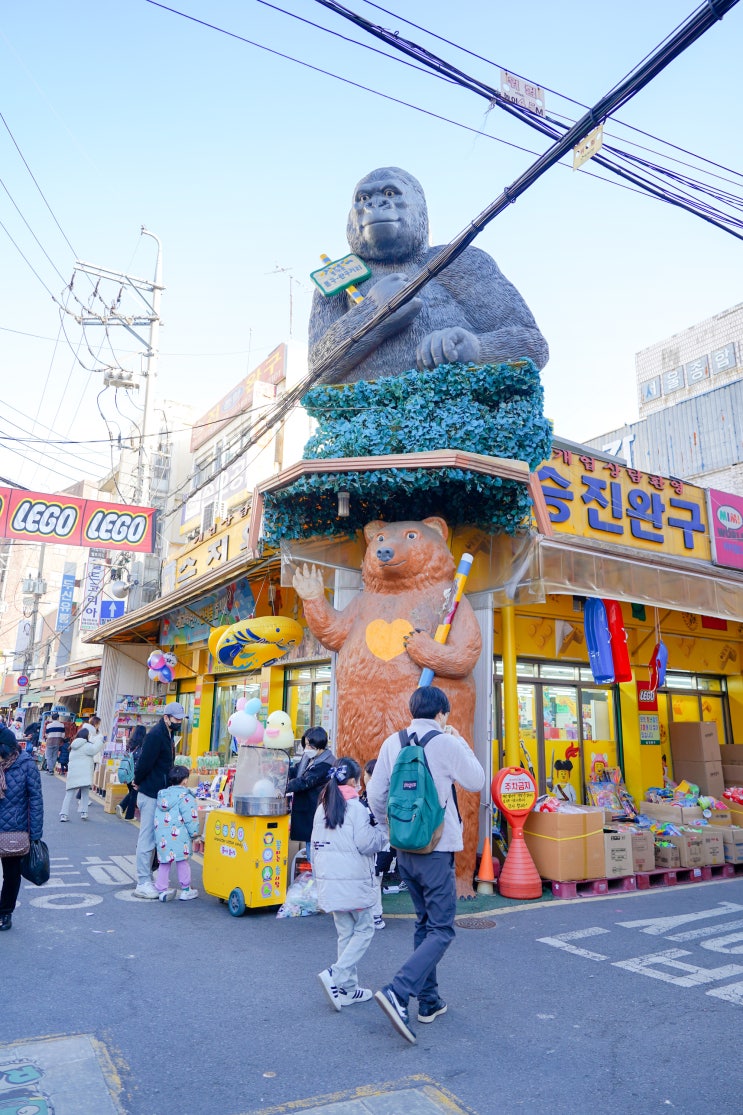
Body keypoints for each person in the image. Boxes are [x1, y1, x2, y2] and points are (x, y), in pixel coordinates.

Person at [308, 166, 548, 385]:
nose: (375, 205)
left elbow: (533, 345)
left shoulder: (458, 261)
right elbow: (317, 373)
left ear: (418, 206)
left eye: (390, 194)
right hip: (361, 420)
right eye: (363, 199)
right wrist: (372, 312)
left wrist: (476, 348)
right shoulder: (336, 278)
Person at [367, 685, 485, 1044]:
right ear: (441, 713)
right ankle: (399, 991)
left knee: (425, 923)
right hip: (437, 850)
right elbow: (477, 781)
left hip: (404, 851)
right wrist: (459, 739)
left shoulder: (393, 742)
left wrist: (393, 832)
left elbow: (375, 795)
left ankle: (429, 1001)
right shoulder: (445, 742)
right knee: (442, 929)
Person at [312, 758, 388, 1010]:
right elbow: (366, 844)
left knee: (345, 932)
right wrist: (383, 832)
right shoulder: (356, 807)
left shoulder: (322, 806)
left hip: (329, 881)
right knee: (365, 929)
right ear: (355, 782)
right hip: (354, 881)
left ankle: (348, 989)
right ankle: (336, 973)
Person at [132, 702, 186, 899]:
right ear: (166, 717)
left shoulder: (167, 733)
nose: (179, 722)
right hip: (150, 793)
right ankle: (143, 882)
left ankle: (150, 877)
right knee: (146, 839)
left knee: (155, 838)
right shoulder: (156, 735)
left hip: (160, 793)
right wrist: (137, 781)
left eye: (181, 719)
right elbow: (145, 762)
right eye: (176, 718)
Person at [0, 725, 43, 931]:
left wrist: (34, 835)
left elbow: (36, 800)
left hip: (13, 830)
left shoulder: (26, 765)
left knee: (11, 874)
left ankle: (5, 913)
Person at [286, 726, 334, 869]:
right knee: (310, 849)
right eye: (305, 744)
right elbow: (297, 771)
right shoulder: (309, 757)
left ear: (319, 744)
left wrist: (283, 787)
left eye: (309, 744)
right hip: (306, 810)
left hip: (315, 811)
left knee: (314, 853)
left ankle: (318, 883)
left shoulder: (326, 763)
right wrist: (281, 770)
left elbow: (305, 781)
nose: (306, 748)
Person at [153, 765, 200, 902]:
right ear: (185, 781)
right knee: (182, 861)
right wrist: (194, 834)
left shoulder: (162, 795)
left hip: (162, 835)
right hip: (180, 834)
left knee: (164, 862)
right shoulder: (186, 796)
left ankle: (161, 889)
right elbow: (190, 818)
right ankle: (186, 890)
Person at [360, 759, 393, 930]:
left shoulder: (374, 795)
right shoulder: (387, 793)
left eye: (365, 773)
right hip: (386, 845)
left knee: (373, 880)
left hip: (379, 845)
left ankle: (375, 916)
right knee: (374, 880)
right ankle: (373, 914)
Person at [59, 725, 105, 821]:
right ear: (86, 736)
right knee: (85, 793)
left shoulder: (73, 745)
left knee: (69, 794)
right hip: (84, 773)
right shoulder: (86, 746)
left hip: (73, 773)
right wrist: (102, 740)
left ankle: (63, 814)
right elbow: (94, 750)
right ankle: (84, 812)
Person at [117, 724, 146, 821]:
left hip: (127, 772)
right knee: (134, 794)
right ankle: (128, 815)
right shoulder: (141, 747)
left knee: (132, 792)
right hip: (134, 773)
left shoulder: (130, 745)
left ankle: (122, 806)